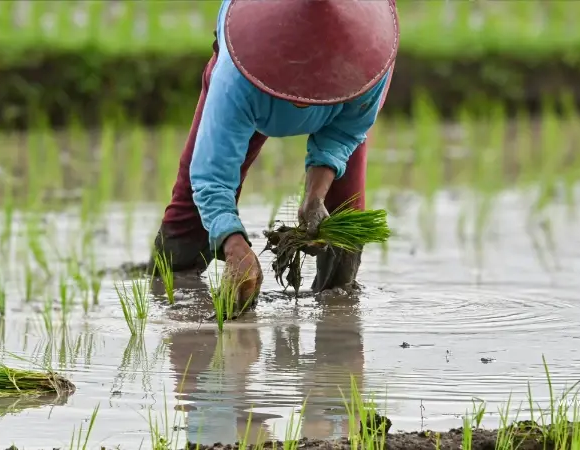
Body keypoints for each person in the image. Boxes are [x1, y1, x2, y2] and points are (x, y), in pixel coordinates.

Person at [152, 0, 399, 310]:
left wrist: (314, 197)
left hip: (341, 96)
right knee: (190, 214)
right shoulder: (237, 77)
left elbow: (345, 133)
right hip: (256, 95)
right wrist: (234, 246)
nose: (306, 91)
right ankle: (171, 294)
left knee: (345, 223)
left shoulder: (368, 66)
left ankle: (337, 316)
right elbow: (211, 175)